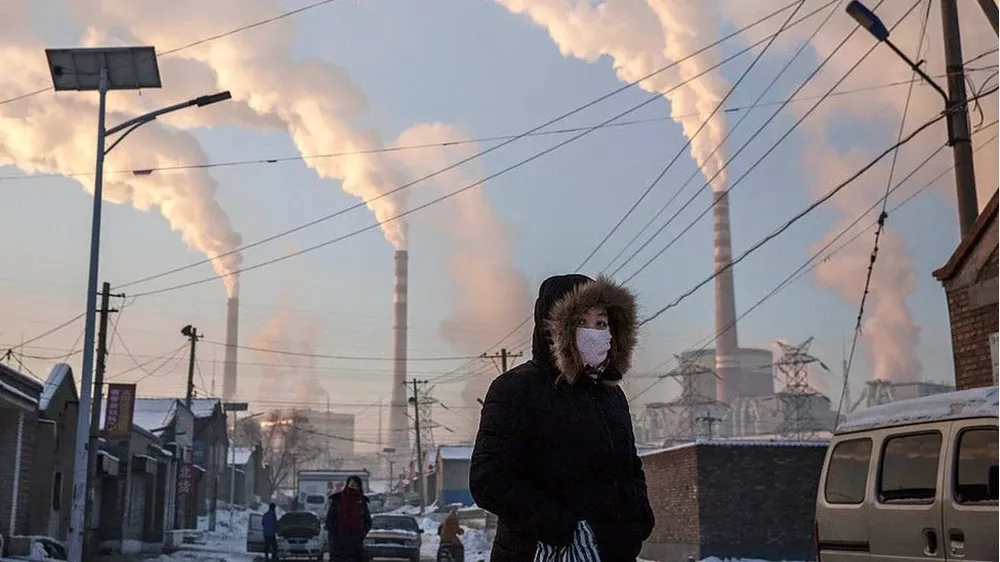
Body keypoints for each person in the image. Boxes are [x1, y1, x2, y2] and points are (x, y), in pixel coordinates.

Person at [470, 274, 655, 561]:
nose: (594, 332)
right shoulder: (517, 388)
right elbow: (489, 479)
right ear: (555, 329)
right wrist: (560, 525)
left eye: (601, 323)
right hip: (536, 553)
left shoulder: (611, 395)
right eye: (581, 322)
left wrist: (639, 517)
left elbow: (630, 468)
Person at [326, 475, 372, 562]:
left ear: (359, 486)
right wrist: (335, 535)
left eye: (356, 485)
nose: (353, 486)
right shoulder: (337, 500)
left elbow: (368, 522)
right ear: (347, 485)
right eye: (352, 484)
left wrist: (360, 536)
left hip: (355, 544)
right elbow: (329, 521)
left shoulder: (362, 501)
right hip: (338, 544)